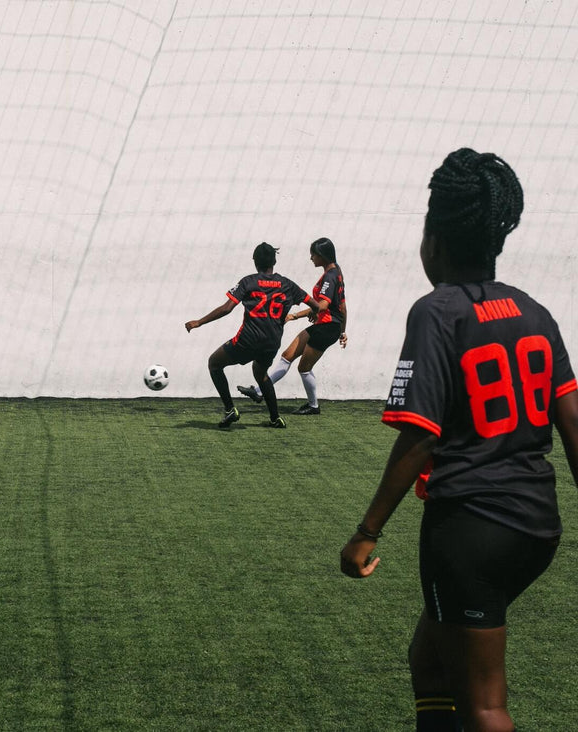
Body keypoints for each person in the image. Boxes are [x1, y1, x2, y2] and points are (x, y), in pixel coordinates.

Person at [340, 149, 578, 731]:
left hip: (470, 529)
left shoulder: (436, 312)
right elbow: (572, 423)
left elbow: (419, 439)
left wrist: (365, 533)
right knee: (430, 659)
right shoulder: (536, 311)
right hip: (537, 526)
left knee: (485, 707)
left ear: (434, 240)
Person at [185, 242, 320, 429]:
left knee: (214, 363)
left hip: (247, 340)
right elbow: (315, 305)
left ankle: (230, 409)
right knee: (260, 373)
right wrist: (314, 312)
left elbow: (227, 308)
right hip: (272, 343)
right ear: (274, 261)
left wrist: (199, 322)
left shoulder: (249, 282)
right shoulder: (288, 284)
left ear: (255, 262)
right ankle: (275, 418)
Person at [237, 237, 347, 414]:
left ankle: (313, 406)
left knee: (304, 368)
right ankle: (258, 392)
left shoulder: (330, 277)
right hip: (325, 325)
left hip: (326, 328)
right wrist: (343, 331)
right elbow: (342, 306)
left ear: (322, 256)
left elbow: (322, 306)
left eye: (313, 255)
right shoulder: (337, 273)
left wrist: (295, 315)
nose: (311, 258)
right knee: (287, 355)